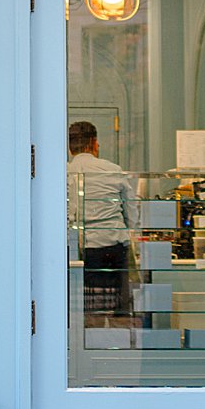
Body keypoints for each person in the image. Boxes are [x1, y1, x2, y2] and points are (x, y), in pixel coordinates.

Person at [67, 120, 138, 319]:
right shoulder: (112, 169)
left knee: (81, 306)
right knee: (119, 307)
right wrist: (130, 229)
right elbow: (131, 210)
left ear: (70, 147)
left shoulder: (64, 172)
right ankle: (117, 339)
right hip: (113, 246)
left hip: (82, 249)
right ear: (94, 143)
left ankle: (85, 339)